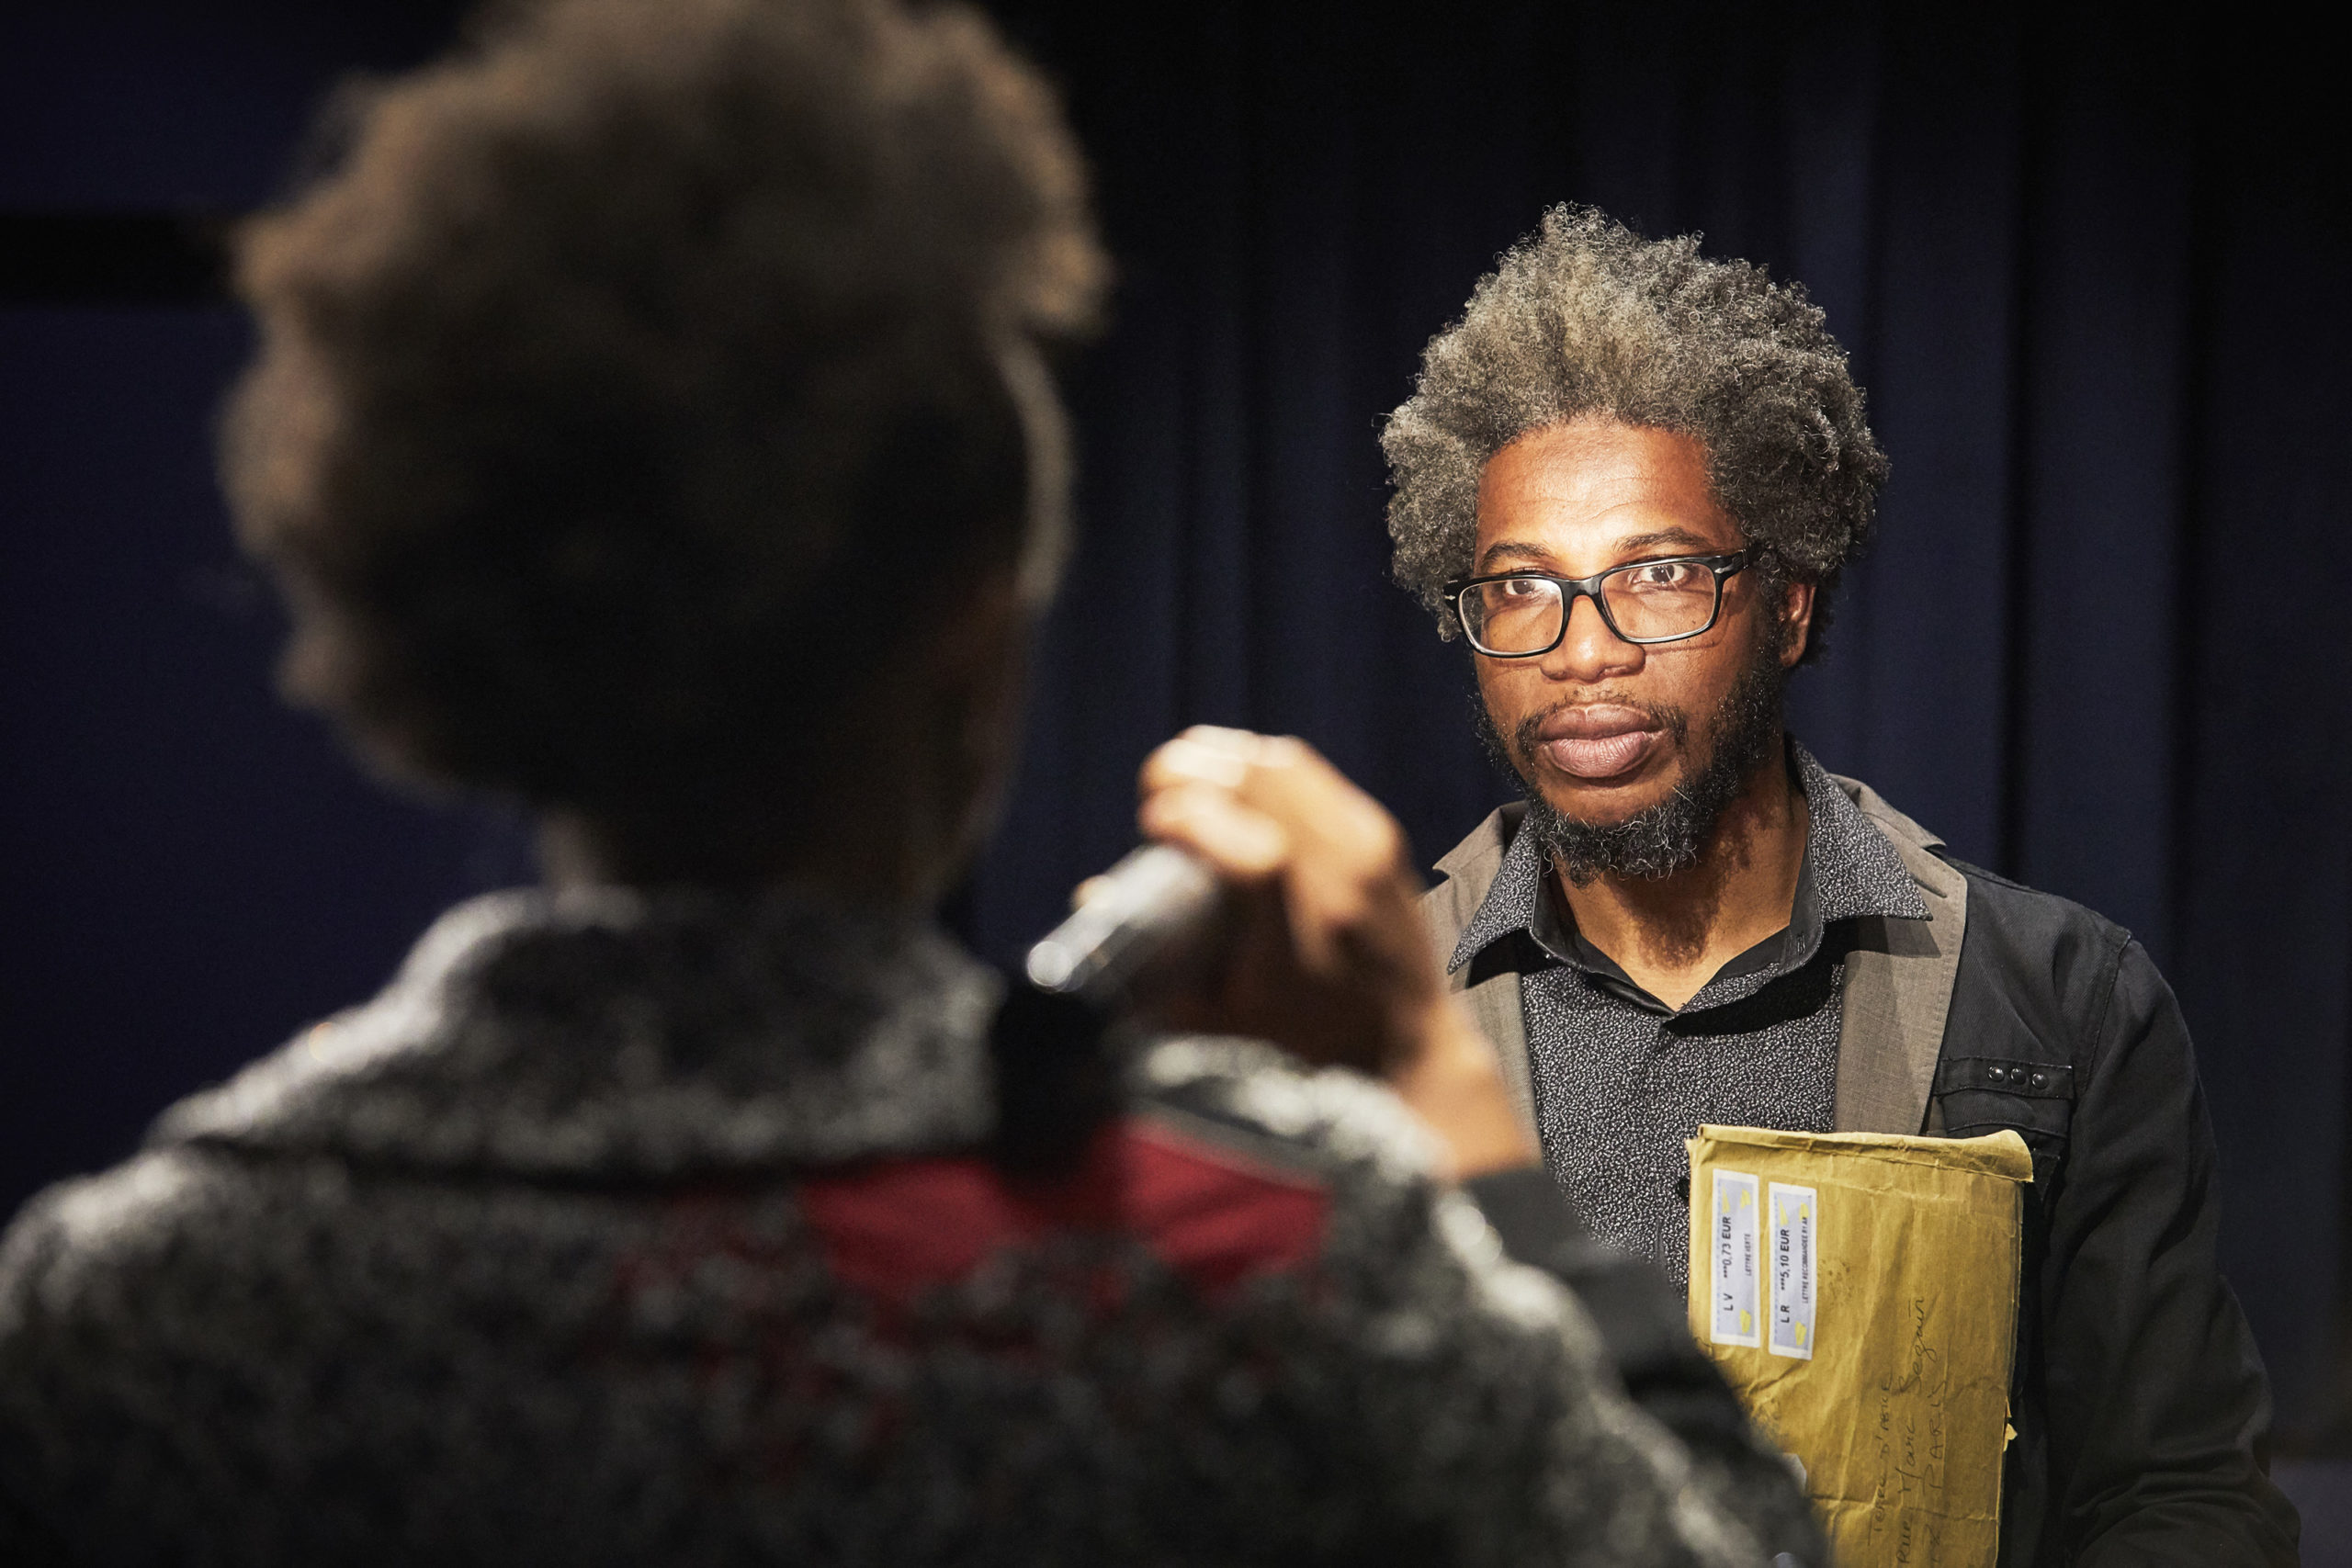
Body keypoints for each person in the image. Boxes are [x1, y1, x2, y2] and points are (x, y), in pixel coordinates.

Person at [0, 6, 1816, 1562]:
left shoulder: (123, 1315)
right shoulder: (1266, 1274)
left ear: (433, 627)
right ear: (976, 641)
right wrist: (1441, 1096)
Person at [1384, 204, 2301, 1567]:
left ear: (1791, 602)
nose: (1582, 650)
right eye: (1522, 589)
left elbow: (2179, 1499)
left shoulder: (2056, 1006)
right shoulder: (1369, 1015)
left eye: (1657, 575)